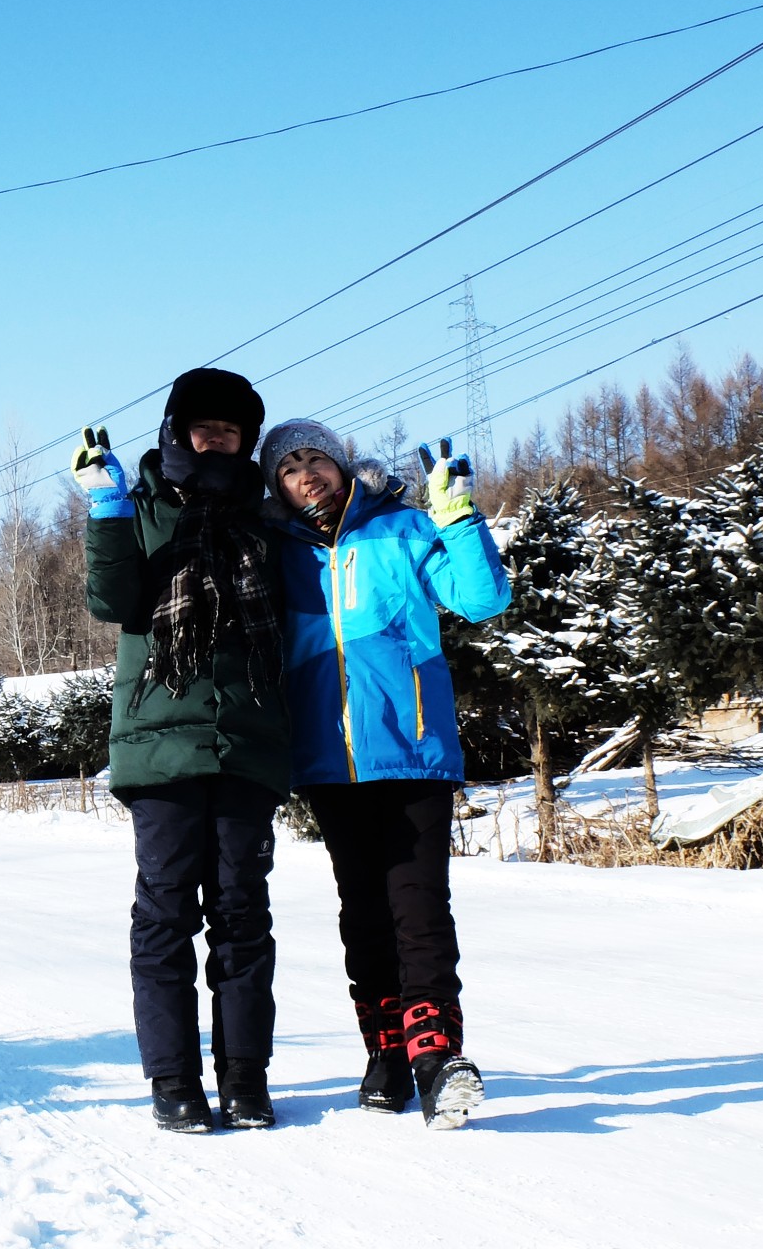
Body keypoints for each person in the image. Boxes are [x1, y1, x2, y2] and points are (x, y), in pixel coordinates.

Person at [256, 420, 510, 1130]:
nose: (306, 474)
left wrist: (457, 515)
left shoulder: (400, 527)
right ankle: (386, 1054)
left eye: (316, 460)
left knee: (420, 907)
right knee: (363, 913)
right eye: (289, 467)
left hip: (413, 750)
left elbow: (482, 598)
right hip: (327, 762)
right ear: (275, 484)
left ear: (342, 465)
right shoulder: (279, 552)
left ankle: (436, 1060)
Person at [73, 368, 292, 1132]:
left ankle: (244, 1078)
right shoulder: (142, 511)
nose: (218, 439)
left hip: (246, 746)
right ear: (175, 432)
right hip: (159, 747)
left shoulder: (266, 521)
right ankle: (173, 1079)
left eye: (231, 431)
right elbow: (115, 601)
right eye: (205, 428)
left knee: (242, 916)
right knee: (166, 916)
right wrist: (104, 509)